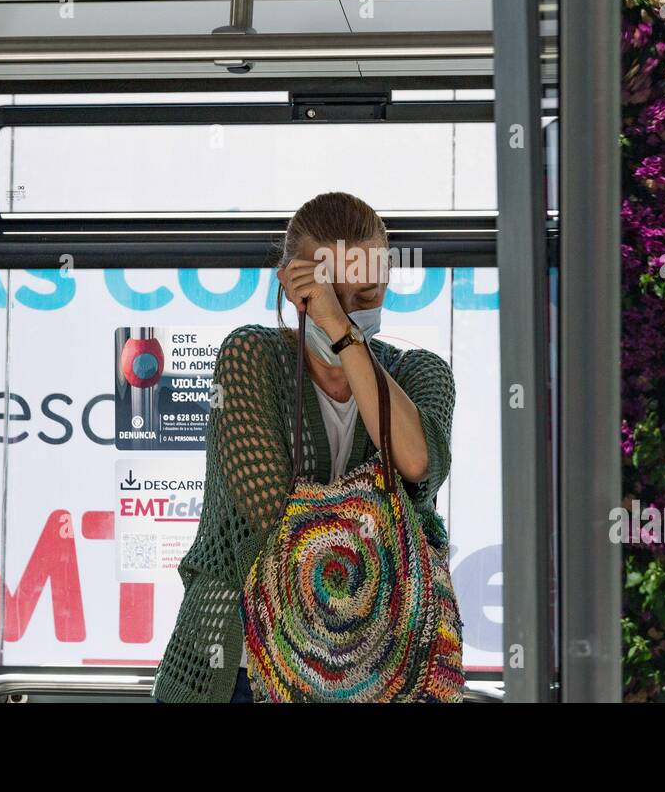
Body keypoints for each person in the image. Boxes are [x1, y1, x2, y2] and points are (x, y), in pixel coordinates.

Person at [153, 191, 457, 702]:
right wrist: (379, 519)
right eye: (332, 297)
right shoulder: (251, 356)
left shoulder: (420, 372)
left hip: (376, 672)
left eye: (366, 297)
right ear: (294, 289)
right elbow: (276, 518)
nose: (351, 313)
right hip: (238, 669)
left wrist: (341, 332)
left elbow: (418, 463)